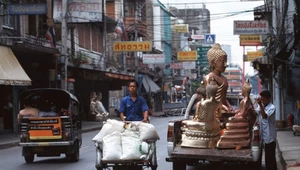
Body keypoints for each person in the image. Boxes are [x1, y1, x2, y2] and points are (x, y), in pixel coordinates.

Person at [203, 43, 232, 115]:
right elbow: (209, 99)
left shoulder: (224, 79)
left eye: (226, 61)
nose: (225, 64)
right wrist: (221, 106)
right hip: (212, 111)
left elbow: (223, 98)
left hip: (223, 110)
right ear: (213, 62)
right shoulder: (209, 77)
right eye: (222, 61)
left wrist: (229, 106)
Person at [255, 90, 277, 170]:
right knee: (265, 157)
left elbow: (264, 116)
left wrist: (260, 104)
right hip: (263, 135)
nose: (262, 101)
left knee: (270, 157)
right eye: (261, 99)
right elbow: (255, 112)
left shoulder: (272, 107)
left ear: (269, 99)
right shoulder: (262, 106)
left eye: (264, 100)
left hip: (270, 136)